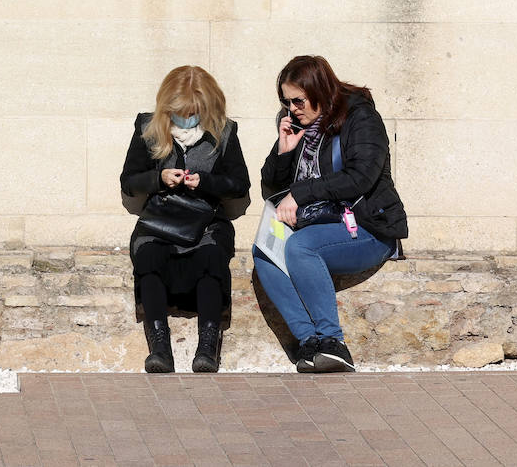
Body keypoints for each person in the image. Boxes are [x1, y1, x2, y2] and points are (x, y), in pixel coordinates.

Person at [253, 55, 408, 373]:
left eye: (298, 100)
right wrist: (284, 151)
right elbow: (271, 188)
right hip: (319, 226)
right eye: (287, 103)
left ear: (319, 91)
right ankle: (310, 343)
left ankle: (333, 342)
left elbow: (360, 177)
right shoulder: (301, 130)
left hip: (368, 228)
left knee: (300, 246)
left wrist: (301, 194)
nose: (293, 109)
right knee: (264, 253)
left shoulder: (361, 118)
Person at [121, 66, 251, 373]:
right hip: (160, 217)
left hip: (205, 219)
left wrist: (205, 182)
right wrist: (159, 178)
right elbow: (129, 180)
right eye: (179, 112)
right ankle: (160, 348)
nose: (186, 118)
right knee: (148, 254)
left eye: (193, 112)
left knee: (211, 256)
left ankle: (207, 347)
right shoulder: (148, 127)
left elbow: (239, 185)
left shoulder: (224, 131)